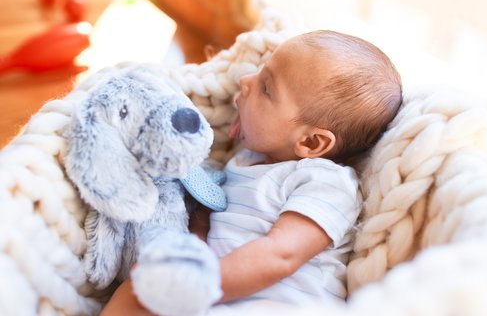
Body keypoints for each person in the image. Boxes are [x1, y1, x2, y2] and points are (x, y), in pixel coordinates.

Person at [101, 30, 402, 314]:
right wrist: (190, 249)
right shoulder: (243, 161)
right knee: (137, 291)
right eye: (259, 71)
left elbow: (280, 255)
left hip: (282, 305)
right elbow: (211, 221)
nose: (245, 80)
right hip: (217, 297)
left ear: (311, 142)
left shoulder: (326, 182)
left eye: (266, 88)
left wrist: (199, 284)